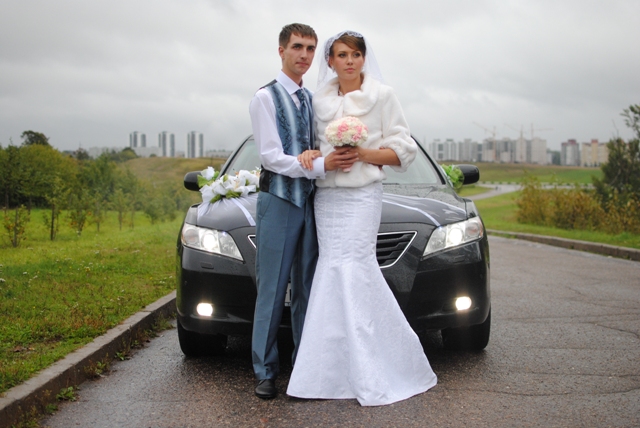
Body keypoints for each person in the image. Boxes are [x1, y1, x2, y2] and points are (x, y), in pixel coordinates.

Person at [287, 30, 438, 406]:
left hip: (362, 196)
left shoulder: (383, 96)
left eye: (355, 54)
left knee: (355, 268)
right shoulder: (317, 100)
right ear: (330, 61)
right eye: (342, 55)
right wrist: (312, 155)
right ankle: (326, 375)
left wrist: (364, 153)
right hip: (328, 199)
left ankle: (373, 369)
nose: (349, 61)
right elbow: (311, 146)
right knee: (330, 270)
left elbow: (404, 150)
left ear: (363, 59)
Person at [249, 23, 358, 400]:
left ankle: (304, 368)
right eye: (297, 47)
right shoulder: (265, 98)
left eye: (311, 49)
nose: (305, 55)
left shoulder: (311, 99)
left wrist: (322, 154)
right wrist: (316, 163)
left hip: (311, 202)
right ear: (281, 51)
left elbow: (316, 144)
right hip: (279, 202)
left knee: (308, 289)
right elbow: (271, 157)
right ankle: (265, 371)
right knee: (272, 289)